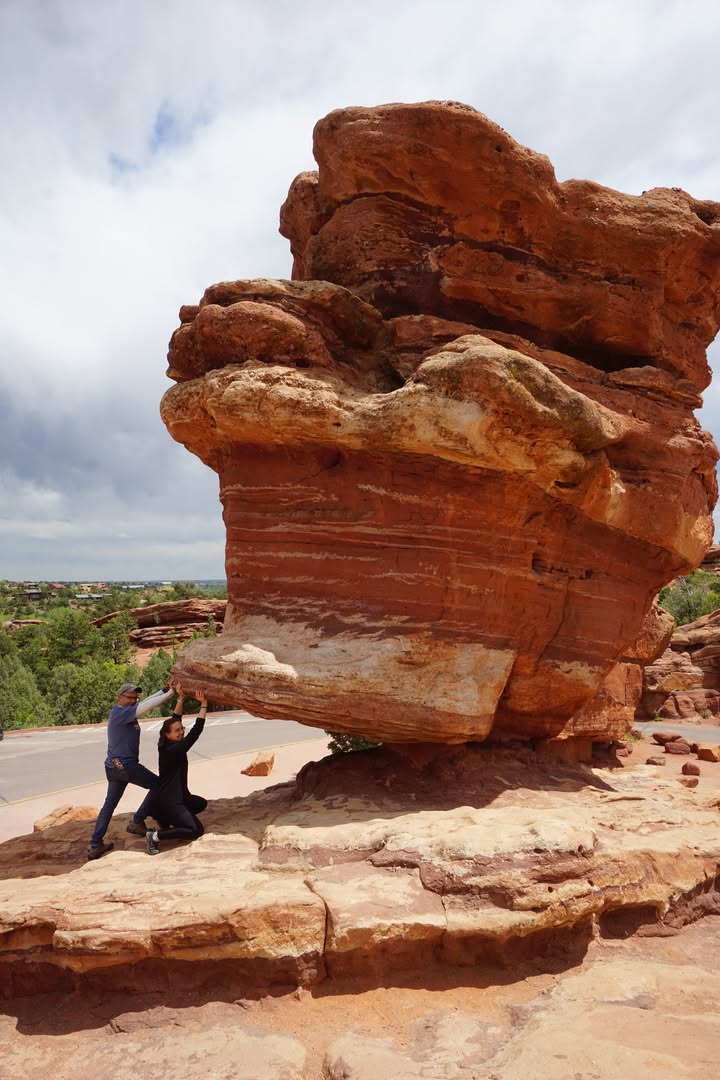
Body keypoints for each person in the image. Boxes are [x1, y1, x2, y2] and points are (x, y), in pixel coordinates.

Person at [87, 682, 174, 860]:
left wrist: (161, 691)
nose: (133, 701)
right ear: (120, 697)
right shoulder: (120, 712)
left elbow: (143, 703)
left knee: (109, 806)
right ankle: (137, 821)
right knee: (160, 785)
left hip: (114, 766)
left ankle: (95, 845)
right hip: (126, 765)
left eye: (135, 698)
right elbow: (145, 707)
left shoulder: (124, 712)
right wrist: (170, 694)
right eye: (129, 697)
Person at [144, 687, 209, 855]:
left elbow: (175, 719)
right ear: (167, 735)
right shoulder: (173, 750)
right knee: (196, 830)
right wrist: (203, 706)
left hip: (177, 797)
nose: (181, 732)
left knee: (200, 804)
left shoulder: (167, 744)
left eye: (182, 729)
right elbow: (195, 733)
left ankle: (164, 818)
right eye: (177, 731)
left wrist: (181, 698)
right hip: (170, 801)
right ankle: (156, 836)